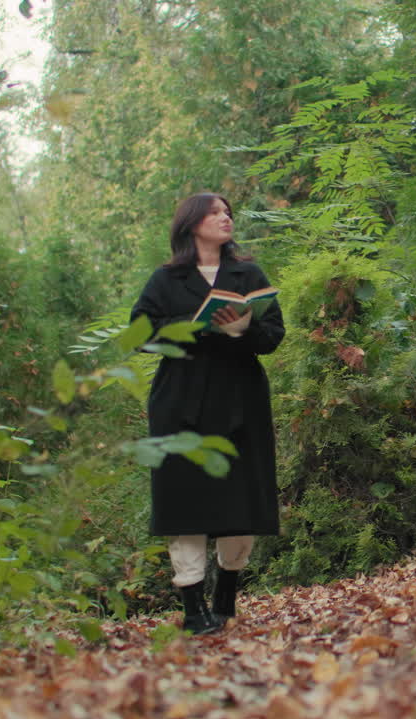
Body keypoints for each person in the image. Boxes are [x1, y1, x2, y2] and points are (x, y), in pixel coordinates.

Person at [129, 192, 285, 635]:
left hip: (242, 403)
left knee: (242, 501)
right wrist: (197, 327)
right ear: (192, 222)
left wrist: (245, 328)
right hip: (180, 404)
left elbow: (274, 335)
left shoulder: (248, 273)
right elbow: (140, 334)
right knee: (185, 505)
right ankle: (193, 609)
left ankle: (226, 597)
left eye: (228, 212)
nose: (225, 217)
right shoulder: (165, 279)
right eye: (215, 212)